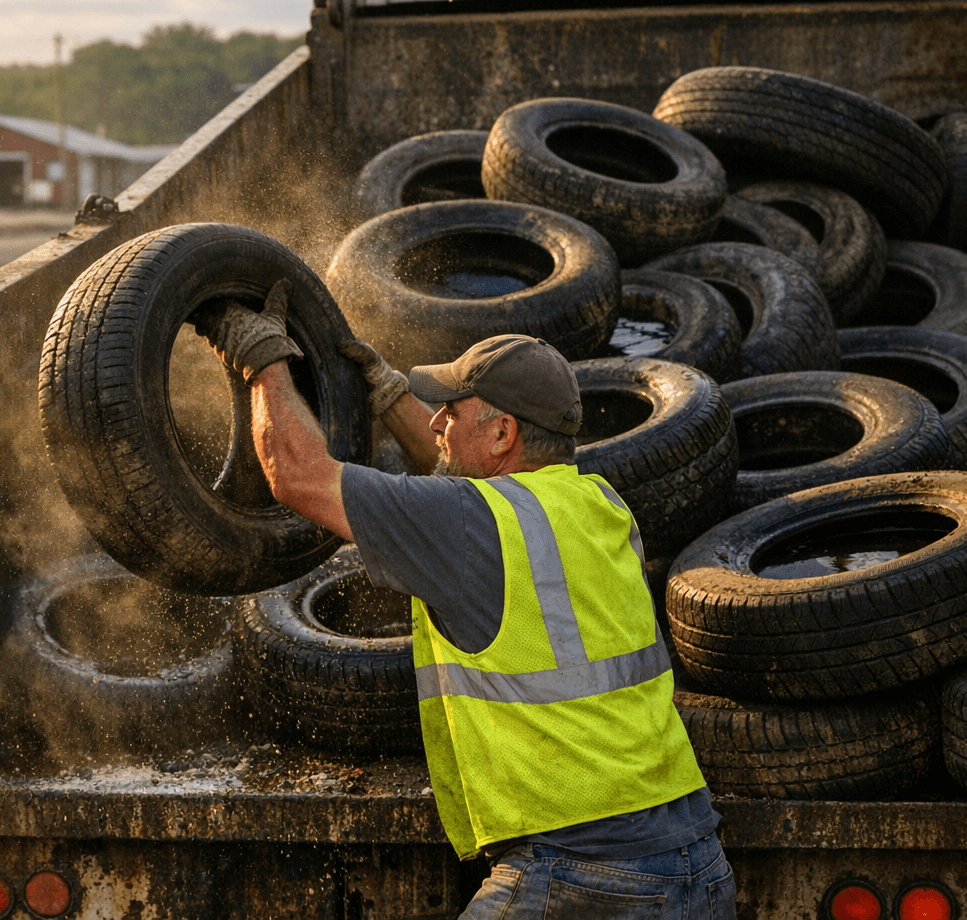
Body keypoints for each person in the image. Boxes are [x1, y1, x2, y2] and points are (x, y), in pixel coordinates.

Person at [196, 282, 735, 919]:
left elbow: (297, 474)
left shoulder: (473, 527)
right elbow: (467, 492)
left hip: (588, 874)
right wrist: (391, 398)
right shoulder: (595, 506)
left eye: (452, 410)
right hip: (691, 859)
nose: (435, 424)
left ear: (503, 432)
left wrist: (262, 359)